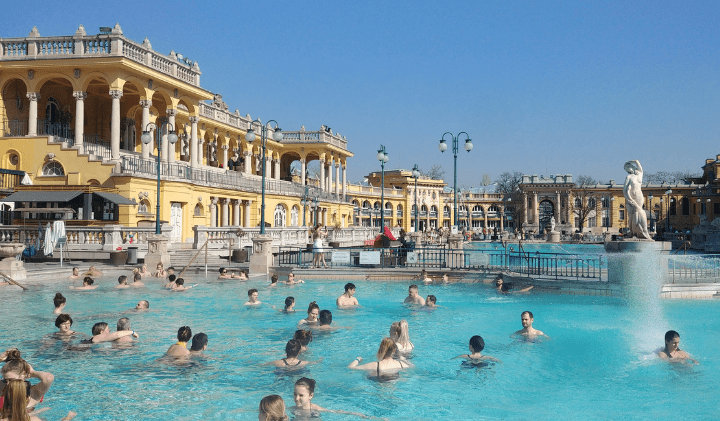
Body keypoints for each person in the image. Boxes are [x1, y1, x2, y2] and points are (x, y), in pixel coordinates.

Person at [0, 348, 58, 418]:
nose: (7, 384)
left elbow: (49, 378)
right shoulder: (2, 388)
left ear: (22, 376)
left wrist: (33, 373)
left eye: (11, 380)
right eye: (5, 380)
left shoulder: (33, 393)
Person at [289, 377, 367, 418]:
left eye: (301, 395)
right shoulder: (292, 409)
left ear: (311, 395)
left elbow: (336, 411)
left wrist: (355, 414)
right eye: (295, 394)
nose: (296, 398)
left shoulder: (315, 409)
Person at [348, 337, 413, 374]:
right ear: (394, 350)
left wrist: (358, 359)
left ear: (380, 349)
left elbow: (351, 367)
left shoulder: (375, 365)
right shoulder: (401, 365)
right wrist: (403, 360)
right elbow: (412, 367)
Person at [623, 160, 652, 240]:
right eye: (626, 169)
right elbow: (625, 189)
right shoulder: (628, 177)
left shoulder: (640, 174)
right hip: (631, 197)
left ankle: (642, 232)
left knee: (639, 212)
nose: (628, 170)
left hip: (639, 196)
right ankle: (633, 233)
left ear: (631, 167)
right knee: (632, 215)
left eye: (628, 168)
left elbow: (637, 162)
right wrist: (628, 198)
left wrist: (630, 161)